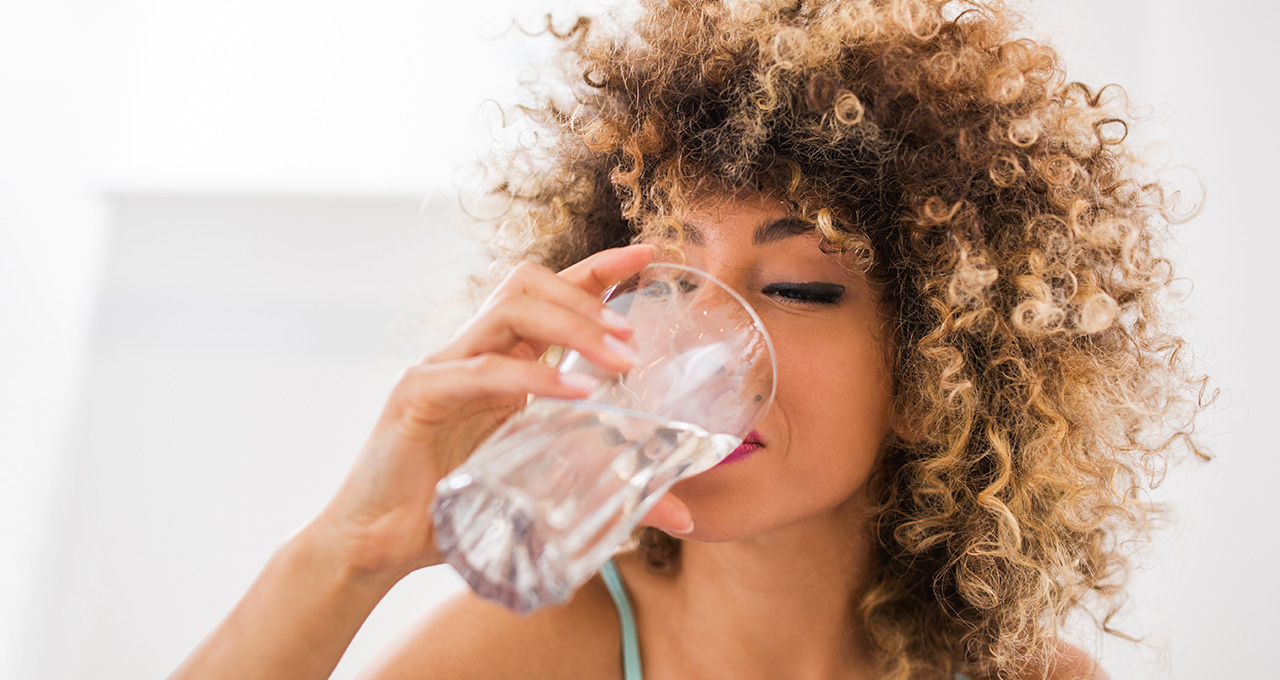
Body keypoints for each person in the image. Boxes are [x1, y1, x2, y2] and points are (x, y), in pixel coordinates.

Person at [169, 1, 1211, 678]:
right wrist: (348, 553)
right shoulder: (536, 649)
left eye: (798, 287)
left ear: (936, 370)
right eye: (665, 276)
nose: (699, 344)